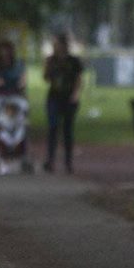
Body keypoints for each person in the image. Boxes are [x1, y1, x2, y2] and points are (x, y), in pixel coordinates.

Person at [42, 33, 84, 174]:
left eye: (58, 44)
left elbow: (79, 78)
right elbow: (46, 78)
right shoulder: (51, 60)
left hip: (69, 98)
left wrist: (76, 94)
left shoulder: (74, 61)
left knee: (67, 130)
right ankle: (50, 160)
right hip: (54, 97)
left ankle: (68, 162)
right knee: (53, 127)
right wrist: (47, 65)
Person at [0, 40, 28, 172]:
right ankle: (2, 156)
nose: (5, 54)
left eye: (8, 50)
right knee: (2, 125)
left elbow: (22, 82)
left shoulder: (19, 65)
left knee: (20, 123)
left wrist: (16, 83)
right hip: (1, 99)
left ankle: (21, 154)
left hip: (15, 98)